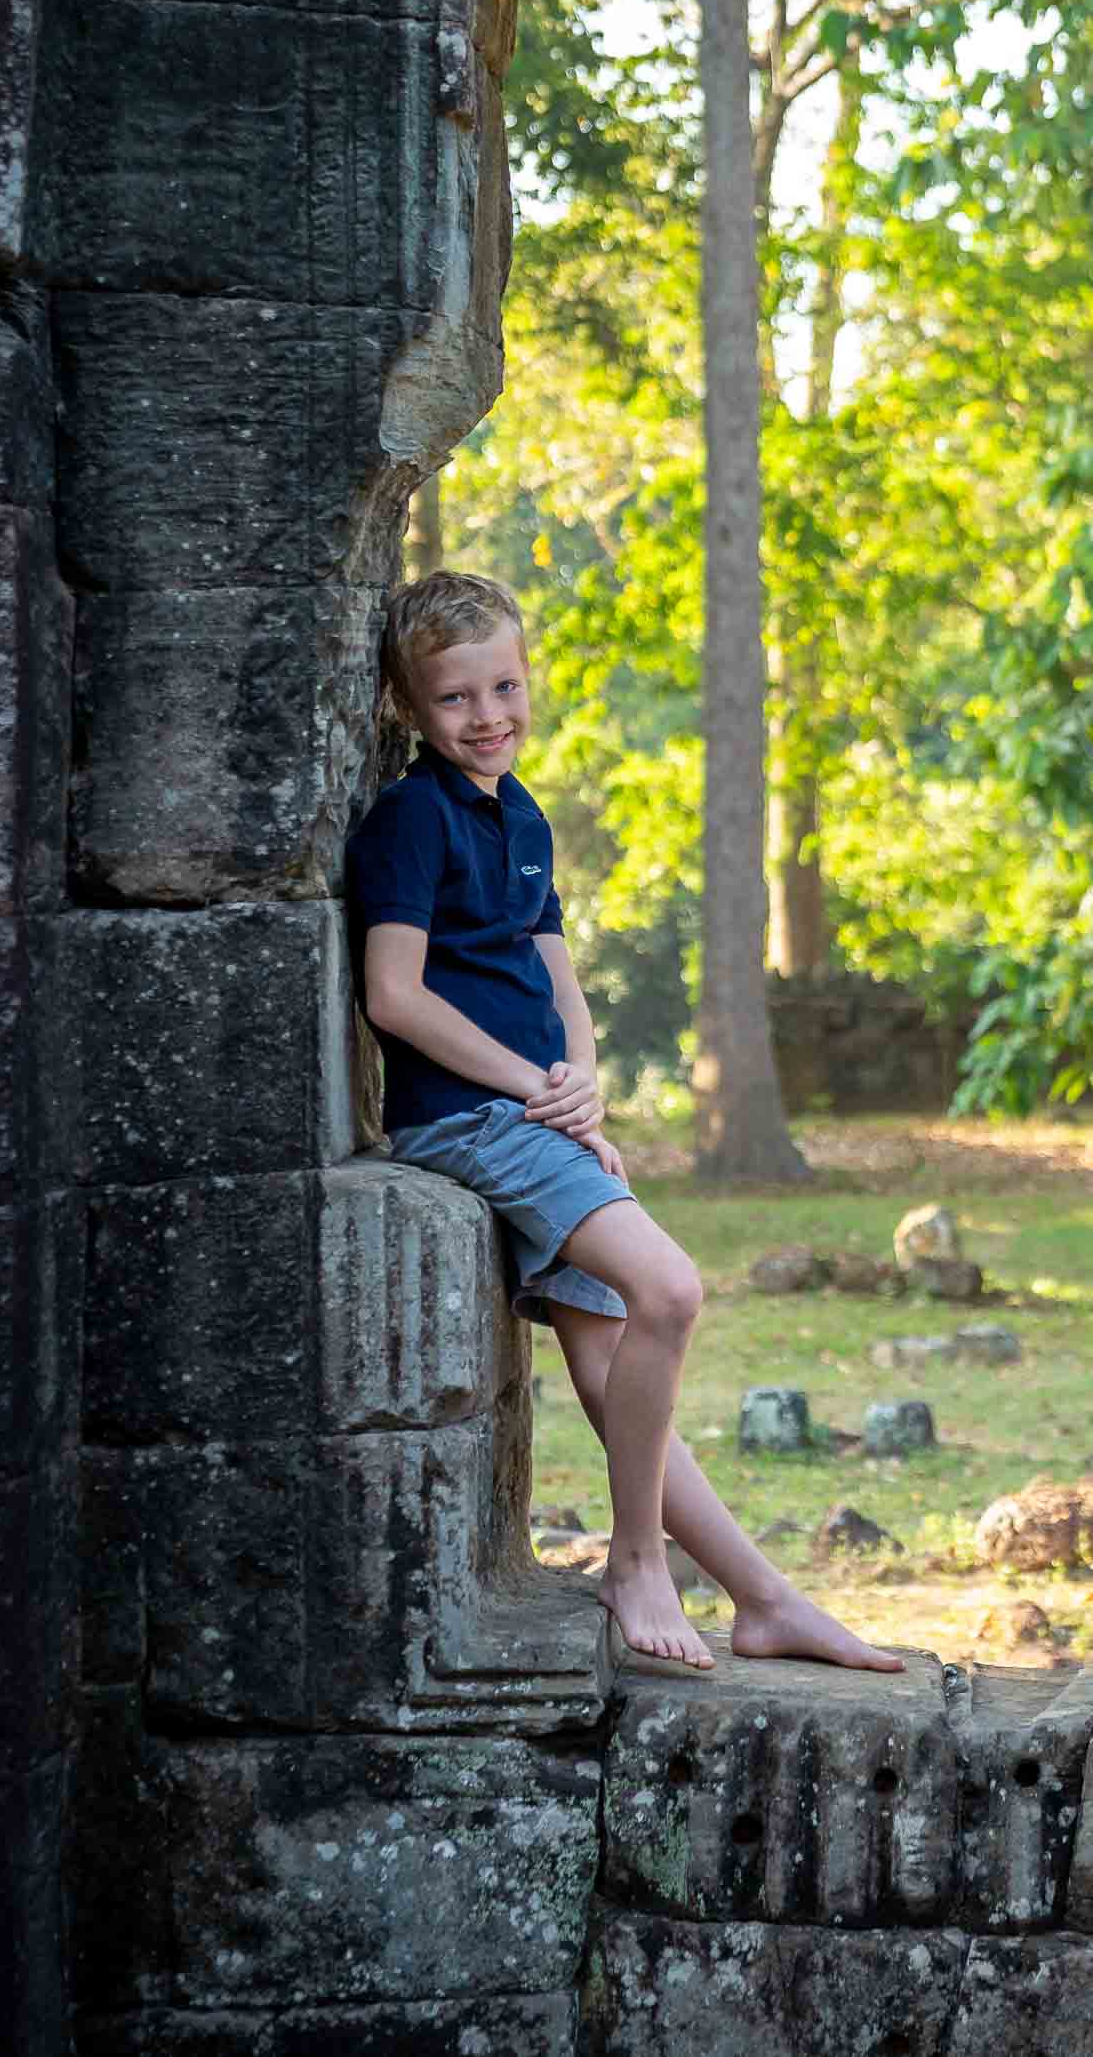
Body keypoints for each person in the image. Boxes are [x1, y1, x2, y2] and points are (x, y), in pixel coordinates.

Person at [345, 569, 900, 1679]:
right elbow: (394, 996)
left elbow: (561, 983)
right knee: (673, 1290)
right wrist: (529, 1089)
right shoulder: (411, 819)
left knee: (612, 1366)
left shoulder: (523, 815)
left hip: (532, 1117)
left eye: (505, 685)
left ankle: (762, 1595)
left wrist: (583, 1082)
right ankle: (638, 1562)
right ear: (409, 707)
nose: (489, 714)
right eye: (455, 698)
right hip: (464, 1118)